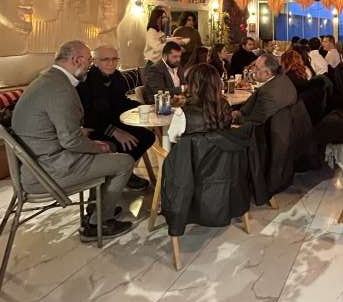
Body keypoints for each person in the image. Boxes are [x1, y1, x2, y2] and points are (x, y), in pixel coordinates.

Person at [11, 40, 133, 242]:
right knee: (124, 161)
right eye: (89, 61)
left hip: (35, 163)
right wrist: (97, 147)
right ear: (77, 60)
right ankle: (97, 224)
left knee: (107, 146)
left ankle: (97, 208)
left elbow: (52, 126)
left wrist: (84, 135)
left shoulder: (47, 79)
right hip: (47, 171)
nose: (89, 66)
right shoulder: (61, 88)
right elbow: (70, 142)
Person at [77, 45, 153, 191]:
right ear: (94, 61)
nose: (111, 63)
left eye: (114, 59)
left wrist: (143, 107)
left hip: (115, 122)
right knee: (124, 142)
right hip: (95, 128)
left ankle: (124, 172)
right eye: (105, 59)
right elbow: (87, 117)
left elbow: (121, 102)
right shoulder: (85, 81)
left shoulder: (117, 77)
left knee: (147, 136)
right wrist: (115, 131)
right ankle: (117, 174)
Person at [168, 64, 232, 142]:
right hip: (220, 149)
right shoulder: (225, 105)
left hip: (192, 149)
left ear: (193, 85)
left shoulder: (182, 112)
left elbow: (172, 138)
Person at [232, 54, 297, 125]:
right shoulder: (284, 79)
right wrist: (239, 113)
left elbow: (255, 123)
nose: (253, 71)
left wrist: (234, 118)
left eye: (257, 68)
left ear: (267, 73)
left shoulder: (267, 94)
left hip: (263, 129)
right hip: (286, 124)